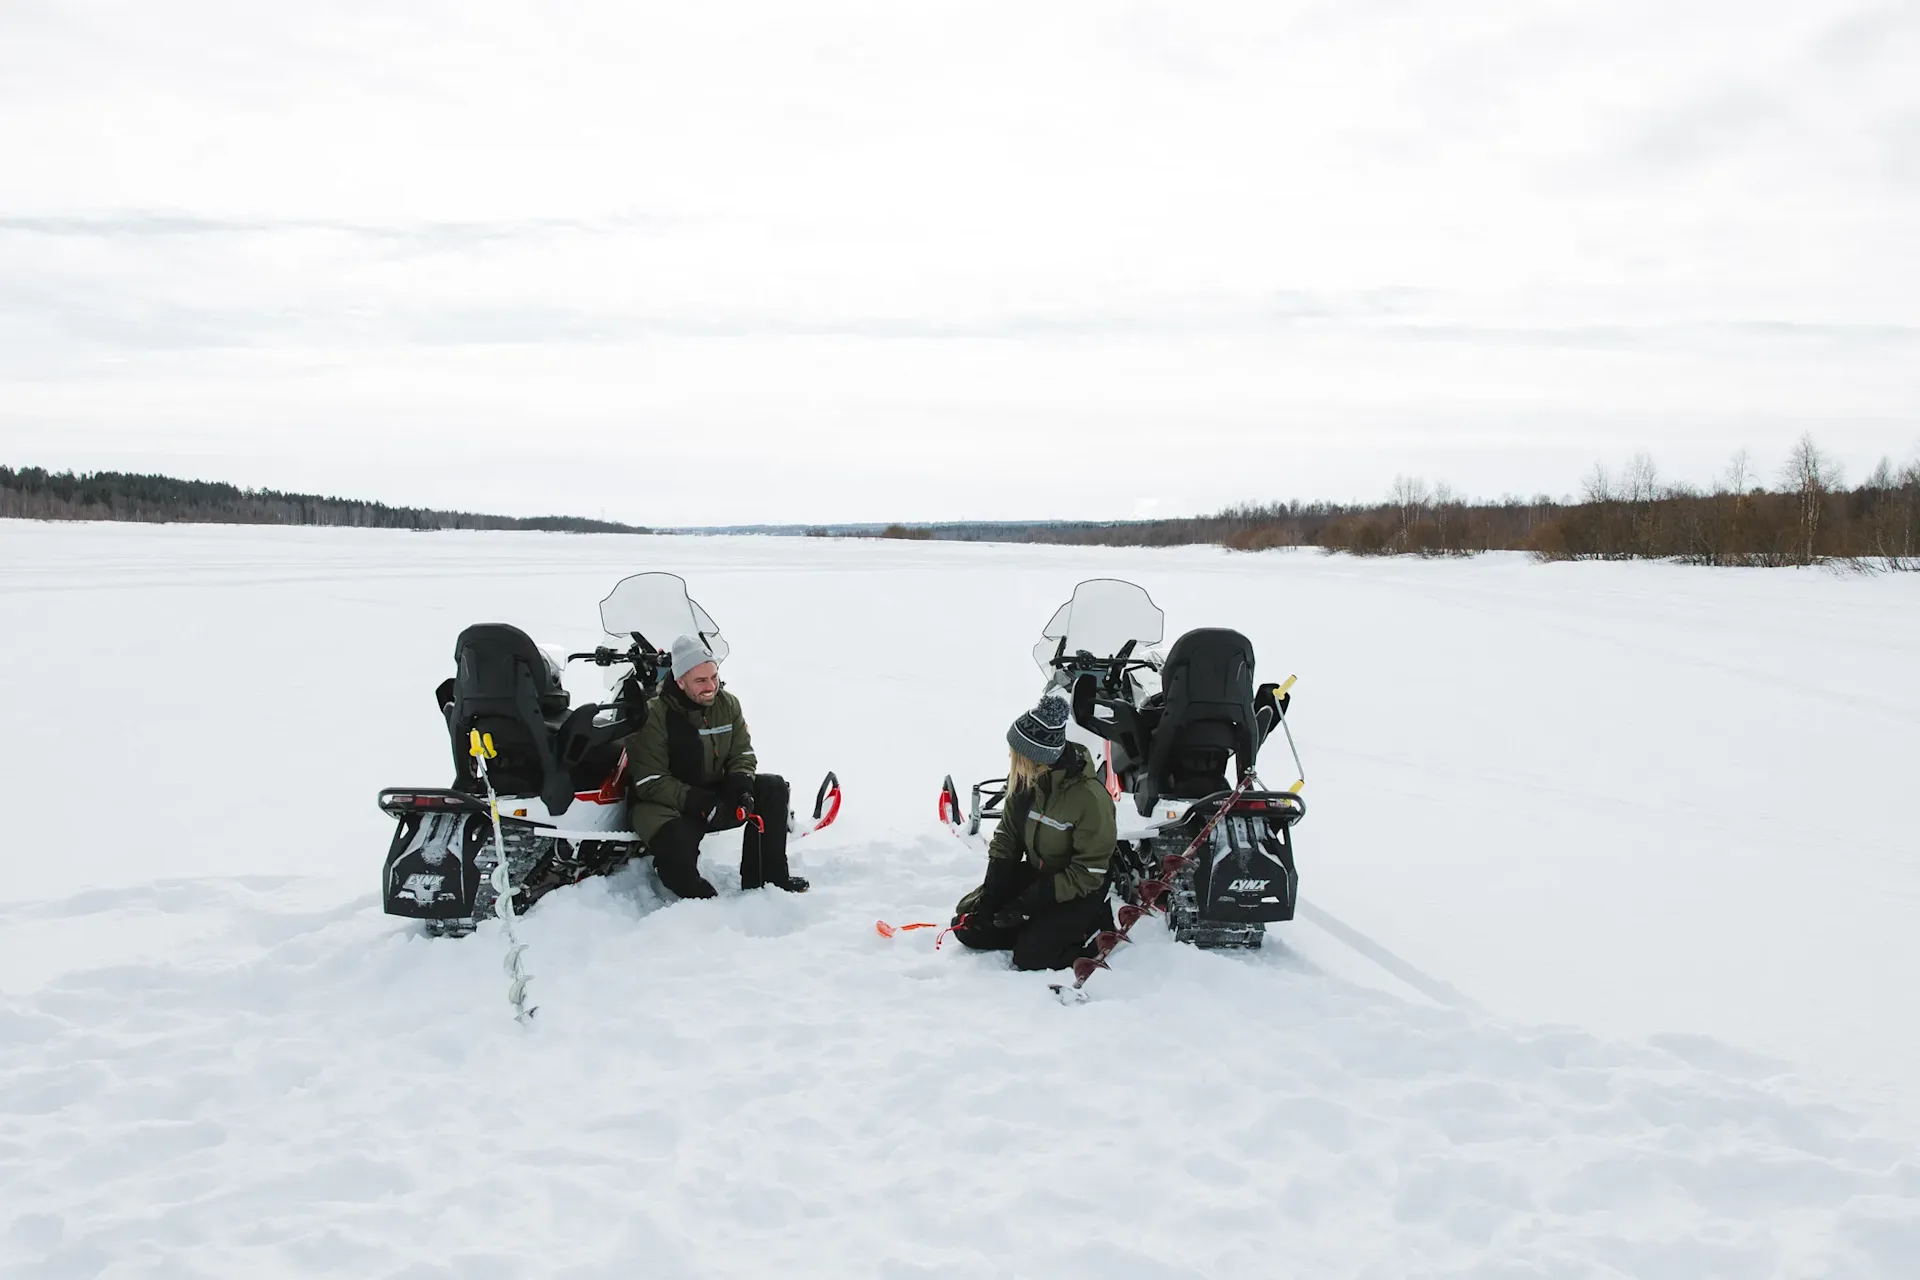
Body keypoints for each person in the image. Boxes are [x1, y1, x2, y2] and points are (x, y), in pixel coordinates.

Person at [627, 634, 809, 899]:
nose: (711, 686)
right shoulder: (655, 715)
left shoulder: (728, 704)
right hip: (667, 803)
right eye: (700, 680)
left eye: (714, 677)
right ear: (679, 681)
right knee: (681, 858)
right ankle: (683, 882)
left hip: (713, 793)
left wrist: (740, 786)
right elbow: (650, 781)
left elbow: (742, 752)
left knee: (773, 788)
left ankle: (770, 880)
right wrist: (700, 802)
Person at [950, 693, 1115, 969]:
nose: (1010, 757)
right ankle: (1036, 927)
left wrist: (1029, 903)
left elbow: (1090, 871)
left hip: (1081, 887)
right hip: (1041, 874)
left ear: (1038, 756)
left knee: (1032, 957)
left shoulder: (1089, 798)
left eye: (1016, 753)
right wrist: (994, 894)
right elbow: (1007, 839)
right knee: (969, 927)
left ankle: (1092, 924)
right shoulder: (1027, 782)